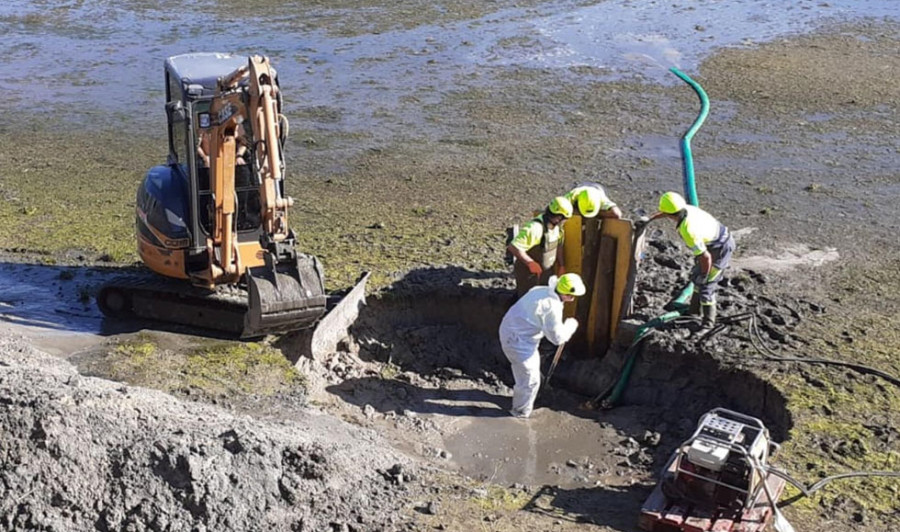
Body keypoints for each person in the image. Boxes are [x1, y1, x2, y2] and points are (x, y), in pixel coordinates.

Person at [498, 273, 586, 418]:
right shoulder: (551, 307)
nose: (573, 299)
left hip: (512, 329)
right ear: (564, 292)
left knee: (528, 373)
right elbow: (557, 338)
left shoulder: (541, 289)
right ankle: (520, 412)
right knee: (530, 380)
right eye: (571, 295)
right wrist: (571, 325)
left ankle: (525, 399)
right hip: (517, 341)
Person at [646, 191, 735, 331]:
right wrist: (649, 219)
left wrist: (704, 275)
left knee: (706, 286)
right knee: (696, 279)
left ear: (670, 215)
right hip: (714, 241)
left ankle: (707, 324)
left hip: (720, 249)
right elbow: (667, 212)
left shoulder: (688, 230)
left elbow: (706, 257)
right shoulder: (685, 208)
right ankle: (693, 312)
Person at [507, 196, 573, 298]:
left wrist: (561, 265)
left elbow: (559, 246)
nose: (565, 222)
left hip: (545, 274)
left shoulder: (558, 229)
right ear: (559, 217)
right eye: (565, 219)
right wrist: (530, 263)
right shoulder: (535, 228)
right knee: (526, 301)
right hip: (528, 274)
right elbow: (514, 246)